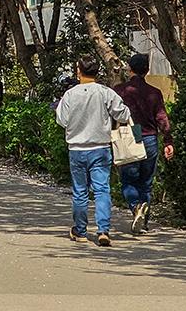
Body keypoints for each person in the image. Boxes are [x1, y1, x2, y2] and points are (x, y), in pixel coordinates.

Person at [55, 55, 132, 247]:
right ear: (97, 72)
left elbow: (61, 120)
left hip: (77, 148)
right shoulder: (105, 92)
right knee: (102, 189)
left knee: (80, 191)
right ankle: (103, 230)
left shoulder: (70, 94)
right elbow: (123, 113)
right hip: (100, 148)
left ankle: (80, 230)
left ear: (78, 71)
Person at [114, 52, 174, 234]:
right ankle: (144, 222)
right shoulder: (154, 93)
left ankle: (135, 207)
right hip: (149, 137)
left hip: (129, 136)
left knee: (128, 180)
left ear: (130, 69)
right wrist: (168, 141)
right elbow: (162, 118)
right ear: (147, 71)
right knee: (146, 182)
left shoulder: (120, 91)